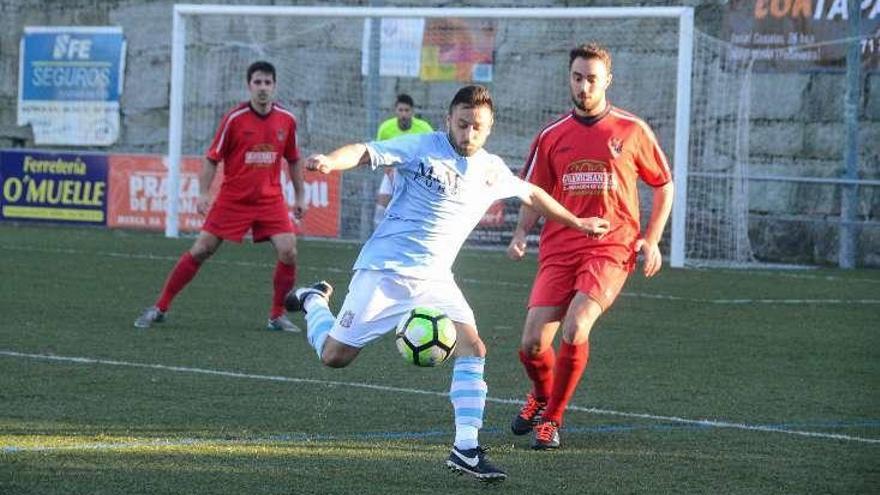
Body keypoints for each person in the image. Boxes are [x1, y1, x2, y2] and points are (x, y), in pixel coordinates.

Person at [285, 85, 609, 482]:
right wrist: (331, 162)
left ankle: (466, 448)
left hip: (436, 279)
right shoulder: (421, 146)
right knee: (333, 356)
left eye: (478, 127)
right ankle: (315, 300)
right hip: (385, 272)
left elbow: (533, 193)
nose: (469, 134)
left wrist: (578, 223)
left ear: (489, 129)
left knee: (473, 346)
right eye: (462, 124)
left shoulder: (491, 169)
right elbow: (364, 151)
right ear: (448, 120)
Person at [507, 42, 674, 450]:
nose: (584, 87)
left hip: (610, 247)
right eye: (577, 78)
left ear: (607, 81)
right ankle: (542, 395)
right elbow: (534, 192)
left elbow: (663, 184)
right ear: (570, 79)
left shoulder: (631, 130)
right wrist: (520, 233)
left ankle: (552, 420)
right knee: (531, 346)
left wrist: (651, 240)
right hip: (560, 248)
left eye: (592, 79)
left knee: (576, 326)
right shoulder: (551, 136)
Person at [134, 60, 307, 332]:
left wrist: (300, 196)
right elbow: (212, 158)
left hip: (269, 200)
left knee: (289, 251)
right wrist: (203, 193)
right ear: (249, 85)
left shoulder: (287, 120)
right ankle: (160, 307)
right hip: (233, 199)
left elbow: (294, 159)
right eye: (257, 82)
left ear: (275, 86)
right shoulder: (234, 119)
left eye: (267, 82)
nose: (263, 88)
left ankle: (277, 315)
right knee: (202, 249)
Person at [373, 94, 433, 227]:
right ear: (396, 111)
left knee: (415, 209)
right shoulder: (386, 128)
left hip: (415, 174)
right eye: (401, 110)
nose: (404, 114)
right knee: (381, 207)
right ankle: (379, 239)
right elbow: (381, 155)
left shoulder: (424, 128)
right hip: (393, 170)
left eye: (407, 110)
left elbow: (430, 153)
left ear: (412, 112)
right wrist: (391, 174)